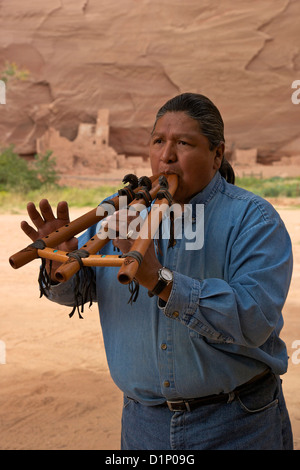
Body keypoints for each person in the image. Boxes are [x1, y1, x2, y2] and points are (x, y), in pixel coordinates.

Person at [21, 93, 294, 450]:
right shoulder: (117, 214)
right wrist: (58, 262)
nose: (166, 155)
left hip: (237, 423)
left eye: (184, 143)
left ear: (217, 155)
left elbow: (254, 318)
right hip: (143, 425)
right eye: (158, 141)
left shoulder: (252, 219)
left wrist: (159, 279)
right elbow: (76, 292)